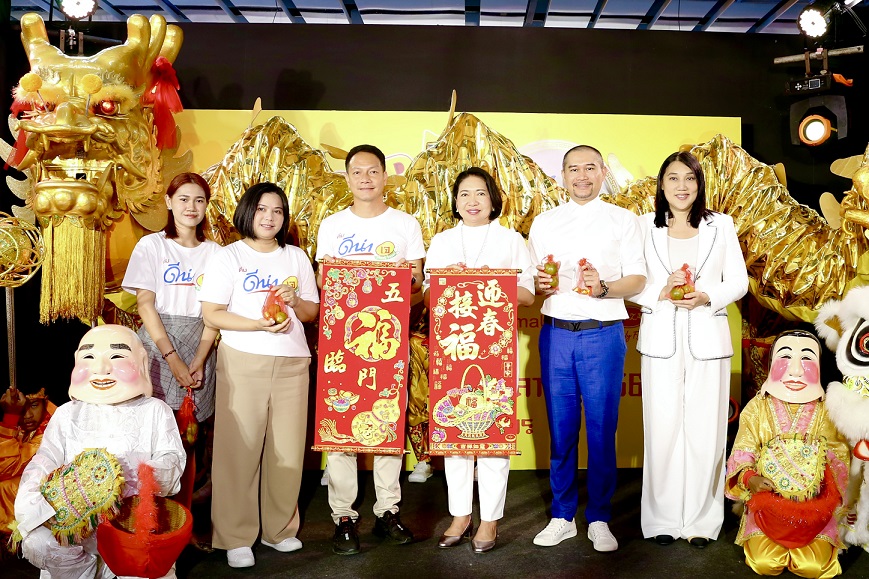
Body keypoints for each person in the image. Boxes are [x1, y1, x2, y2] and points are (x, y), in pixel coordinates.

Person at [528, 145, 645, 551]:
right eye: (573, 169)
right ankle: (562, 515)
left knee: (600, 429)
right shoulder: (544, 222)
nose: (582, 176)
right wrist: (541, 284)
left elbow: (638, 280)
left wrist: (604, 287)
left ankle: (599, 517)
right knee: (560, 430)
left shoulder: (623, 220)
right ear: (562, 176)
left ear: (602, 173)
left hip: (603, 333)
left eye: (590, 168)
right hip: (557, 331)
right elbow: (534, 280)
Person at [199, 182, 319, 568]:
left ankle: (280, 530)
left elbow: (311, 313)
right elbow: (212, 314)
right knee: (239, 451)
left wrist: (294, 300)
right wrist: (255, 324)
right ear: (248, 212)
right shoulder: (227, 256)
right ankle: (235, 536)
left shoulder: (296, 257)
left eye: (278, 211)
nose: (269, 218)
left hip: (292, 363)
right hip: (243, 359)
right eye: (262, 209)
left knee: (286, 449)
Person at [632, 151, 748, 547]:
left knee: (707, 432)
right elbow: (632, 283)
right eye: (673, 178)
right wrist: (659, 293)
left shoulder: (720, 225)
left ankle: (701, 521)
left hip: (708, 340)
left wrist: (706, 296)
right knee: (661, 430)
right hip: (660, 339)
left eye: (690, 179)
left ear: (699, 185)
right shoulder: (643, 226)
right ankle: (662, 519)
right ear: (661, 185)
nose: (682, 186)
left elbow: (738, 281)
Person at [316, 144, 425, 555]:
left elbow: (416, 285)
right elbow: (325, 283)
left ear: (384, 176)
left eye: (373, 171)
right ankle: (343, 515)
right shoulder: (332, 225)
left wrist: (398, 286)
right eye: (357, 171)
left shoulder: (404, 225)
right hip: (341, 340)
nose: (365, 178)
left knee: (386, 425)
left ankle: (387, 510)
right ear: (347, 178)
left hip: (388, 340)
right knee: (341, 424)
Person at [14, 325, 185, 579]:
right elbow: (45, 459)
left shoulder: (154, 410)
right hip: (75, 526)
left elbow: (172, 460)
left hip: (130, 523)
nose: (101, 368)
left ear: (141, 362)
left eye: (117, 357)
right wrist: (32, 494)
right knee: (37, 542)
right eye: (89, 358)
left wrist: (139, 477)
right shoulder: (67, 413)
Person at [423, 167, 535, 553]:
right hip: (451, 350)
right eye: (465, 194)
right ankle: (460, 514)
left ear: (493, 201)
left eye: (481, 194)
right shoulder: (441, 241)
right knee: (455, 432)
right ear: (455, 202)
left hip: (493, 349)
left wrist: (495, 282)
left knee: (490, 434)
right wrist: (444, 281)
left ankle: (489, 520)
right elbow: (426, 296)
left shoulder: (511, 240)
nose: (472, 201)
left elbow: (527, 294)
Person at [122, 172, 220, 508]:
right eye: (183, 199)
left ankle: (184, 519)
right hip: (157, 347)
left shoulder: (217, 253)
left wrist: (200, 359)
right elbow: (145, 305)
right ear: (168, 202)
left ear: (206, 205)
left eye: (199, 200)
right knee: (153, 435)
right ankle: (147, 517)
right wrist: (173, 358)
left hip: (201, 349)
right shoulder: (152, 245)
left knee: (191, 438)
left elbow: (215, 313)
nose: (191, 207)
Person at [725, 330, 849, 578]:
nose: (796, 370)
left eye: (806, 359)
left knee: (812, 567)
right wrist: (751, 478)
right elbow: (743, 450)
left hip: (814, 509)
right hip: (768, 506)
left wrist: (814, 477)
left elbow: (840, 457)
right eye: (785, 358)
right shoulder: (758, 406)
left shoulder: (828, 409)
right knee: (765, 563)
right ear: (771, 364)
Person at [1, 387, 53, 537]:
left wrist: (10, 417)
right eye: (21, 409)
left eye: (34, 405)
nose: (28, 415)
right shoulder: (24, 429)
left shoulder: (50, 429)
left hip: (47, 519)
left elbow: (5, 468)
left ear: (45, 402)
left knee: (6, 486)